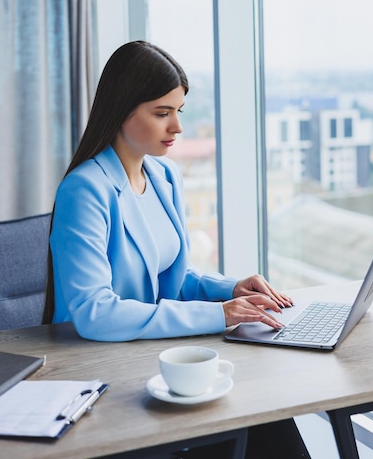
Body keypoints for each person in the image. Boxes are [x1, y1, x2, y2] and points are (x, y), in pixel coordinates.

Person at [43, 40, 311, 458]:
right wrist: (217, 315)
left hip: (152, 355)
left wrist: (230, 290)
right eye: (161, 113)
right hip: (98, 369)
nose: (177, 128)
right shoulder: (85, 190)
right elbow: (96, 313)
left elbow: (172, 280)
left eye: (178, 112)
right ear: (122, 109)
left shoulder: (165, 176)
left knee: (268, 414)